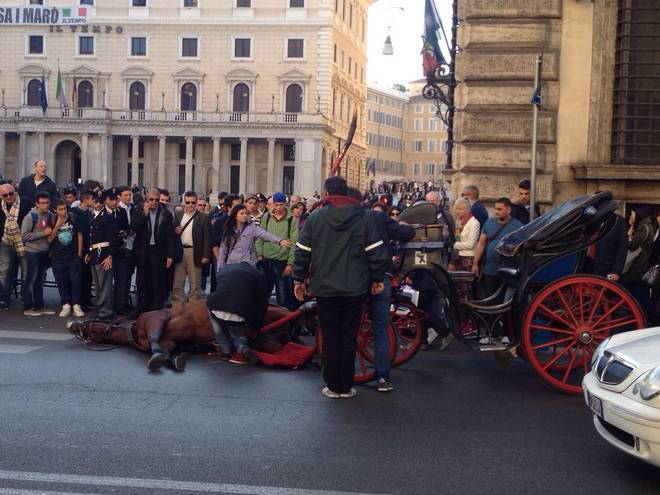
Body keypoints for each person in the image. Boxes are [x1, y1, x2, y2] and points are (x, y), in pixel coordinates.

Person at [293, 176, 388, 399]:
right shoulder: (364, 218)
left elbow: (302, 252)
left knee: (330, 335)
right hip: (355, 287)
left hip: (325, 287)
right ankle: (345, 386)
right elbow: (376, 253)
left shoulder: (316, 218)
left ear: (327, 194)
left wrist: (299, 279)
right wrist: (377, 279)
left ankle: (332, 384)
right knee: (348, 336)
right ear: (346, 193)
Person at [348, 187, 414, 392]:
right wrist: (407, 227)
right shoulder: (377, 217)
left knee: (349, 326)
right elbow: (405, 233)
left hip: (354, 278)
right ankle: (383, 377)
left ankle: (343, 373)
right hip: (380, 276)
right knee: (380, 328)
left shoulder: (343, 221)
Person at [207, 262, 268, 365]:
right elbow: (262, 304)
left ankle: (225, 351)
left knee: (212, 311)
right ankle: (243, 348)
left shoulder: (225, 268)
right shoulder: (257, 275)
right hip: (239, 314)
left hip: (217, 309)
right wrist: (256, 327)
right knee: (238, 334)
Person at [472, 197, 524, 302]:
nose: (496, 212)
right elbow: (481, 243)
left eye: (500, 209)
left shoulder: (518, 226)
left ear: (508, 210)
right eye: (495, 209)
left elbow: (522, 246)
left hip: (507, 271)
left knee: (505, 301)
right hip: (489, 270)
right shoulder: (489, 223)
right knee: (489, 300)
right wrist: (475, 264)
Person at [131, 190, 174, 311]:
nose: (154, 202)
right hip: (143, 250)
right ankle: (141, 308)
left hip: (158, 250)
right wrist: (144, 214)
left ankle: (156, 309)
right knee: (142, 280)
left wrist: (170, 255)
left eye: (156, 200)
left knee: (157, 281)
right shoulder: (139, 210)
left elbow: (170, 236)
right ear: (146, 199)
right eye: (151, 199)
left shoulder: (165, 213)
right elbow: (134, 227)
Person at [256, 192, 298, 310]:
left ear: (285, 204)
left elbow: (294, 243)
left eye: (281, 204)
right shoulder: (267, 217)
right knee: (262, 294)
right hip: (266, 259)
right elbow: (261, 236)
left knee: (283, 297)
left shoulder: (291, 220)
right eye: (276, 205)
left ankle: (284, 325)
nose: (278, 207)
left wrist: (290, 263)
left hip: (281, 261)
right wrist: (259, 255)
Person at [218, 204, 291, 270]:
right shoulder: (228, 230)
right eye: (241, 213)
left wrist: (279, 241)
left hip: (247, 264)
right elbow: (223, 250)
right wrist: (220, 268)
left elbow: (265, 234)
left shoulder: (251, 228)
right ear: (235, 216)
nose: (245, 215)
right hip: (232, 264)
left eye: (246, 213)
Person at [20, 192, 55, 317]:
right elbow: (24, 235)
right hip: (32, 252)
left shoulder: (50, 215)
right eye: (42, 203)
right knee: (31, 279)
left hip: (44, 251)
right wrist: (43, 233)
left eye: (47, 202)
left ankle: (39, 305)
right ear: (37, 204)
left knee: (40, 280)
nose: (45, 205)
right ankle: (28, 305)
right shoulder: (31, 216)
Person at [48, 199, 85, 318]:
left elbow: (79, 234)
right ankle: (65, 304)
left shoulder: (73, 217)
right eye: (60, 209)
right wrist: (57, 225)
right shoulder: (51, 220)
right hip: (58, 256)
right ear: (55, 210)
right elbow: (49, 239)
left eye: (65, 208)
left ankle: (76, 304)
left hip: (73, 255)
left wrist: (79, 252)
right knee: (61, 281)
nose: (64, 211)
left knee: (76, 281)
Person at [172, 191, 209, 305]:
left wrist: (205, 255)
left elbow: (207, 237)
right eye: (188, 202)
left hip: (195, 251)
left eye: (193, 202)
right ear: (184, 202)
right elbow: (172, 233)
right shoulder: (178, 214)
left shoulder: (203, 217)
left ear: (196, 202)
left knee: (195, 284)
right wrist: (175, 232)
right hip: (180, 251)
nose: (190, 204)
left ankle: (194, 307)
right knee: (178, 283)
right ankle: (177, 308)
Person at [85, 190, 117, 319]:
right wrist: (88, 252)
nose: (97, 204)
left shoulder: (107, 217)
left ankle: (106, 311)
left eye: (100, 202)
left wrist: (110, 256)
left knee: (105, 285)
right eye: (95, 201)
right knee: (97, 284)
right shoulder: (91, 216)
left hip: (104, 253)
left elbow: (113, 238)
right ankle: (101, 309)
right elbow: (91, 236)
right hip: (94, 253)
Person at [622, 208, 656, 319]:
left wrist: (629, 232)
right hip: (639, 267)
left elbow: (632, 245)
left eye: (632, 214)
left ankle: (650, 319)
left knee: (640, 296)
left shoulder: (644, 227)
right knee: (639, 295)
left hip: (637, 267)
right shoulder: (644, 226)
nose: (630, 217)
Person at [0, 184, 30, 310]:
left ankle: (26, 299)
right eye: (5, 195)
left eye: (11, 193)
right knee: (4, 272)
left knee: (25, 273)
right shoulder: (0, 206)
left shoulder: (26, 203)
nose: (8, 197)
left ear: (15, 192)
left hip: (23, 243)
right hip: (6, 242)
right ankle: (3, 299)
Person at [586, 212, 628, 282]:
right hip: (589, 265)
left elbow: (622, 248)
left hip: (606, 268)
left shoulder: (618, 221)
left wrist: (616, 271)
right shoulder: (593, 219)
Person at [71, 191, 94, 309]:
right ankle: (78, 300)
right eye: (92, 199)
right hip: (77, 248)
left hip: (88, 247)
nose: (94, 202)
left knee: (87, 275)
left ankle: (86, 298)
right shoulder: (74, 212)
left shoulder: (90, 213)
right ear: (86, 199)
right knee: (78, 276)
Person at [116, 186, 136, 314]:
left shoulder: (132, 208)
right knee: (121, 278)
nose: (128, 197)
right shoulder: (117, 210)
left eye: (129, 195)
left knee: (128, 277)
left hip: (132, 245)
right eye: (125, 195)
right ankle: (119, 306)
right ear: (120, 196)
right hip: (122, 247)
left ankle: (124, 302)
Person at [449, 198, 480, 272]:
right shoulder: (459, 221)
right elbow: (457, 238)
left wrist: (456, 245)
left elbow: (470, 245)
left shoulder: (474, 223)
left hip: (468, 257)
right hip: (457, 256)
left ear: (467, 210)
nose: (458, 211)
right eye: (457, 209)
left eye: (461, 209)